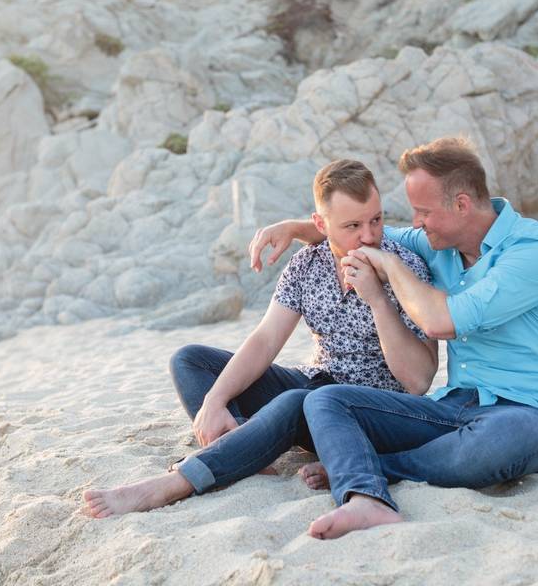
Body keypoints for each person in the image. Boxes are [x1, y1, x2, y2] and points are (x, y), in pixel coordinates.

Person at [248, 137, 538, 539]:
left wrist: (386, 266)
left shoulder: (530, 250)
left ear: (462, 205)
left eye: (423, 212)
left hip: (528, 413)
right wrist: (296, 227)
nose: (415, 223)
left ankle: (379, 467)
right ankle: (368, 480)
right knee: (327, 399)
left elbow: (439, 320)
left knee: (500, 441)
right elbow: (360, 234)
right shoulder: (441, 240)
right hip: (453, 407)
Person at [83, 159, 437, 518]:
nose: (368, 235)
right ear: (321, 225)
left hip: (368, 410)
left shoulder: (404, 267)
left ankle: (180, 480)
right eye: (352, 225)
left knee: (297, 401)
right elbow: (265, 341)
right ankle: (244, 454)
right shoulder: (306, 265)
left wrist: (377, 298)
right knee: (190, 361)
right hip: (316, 383)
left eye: (376, 220)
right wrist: (214, 400)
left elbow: (418, 381)